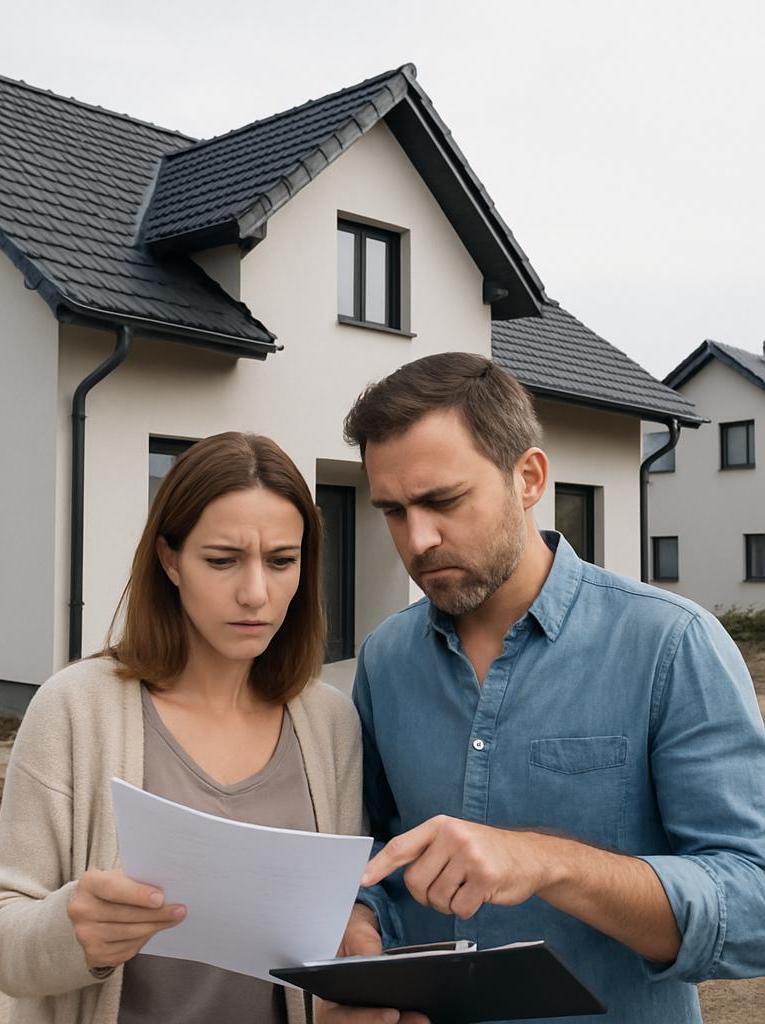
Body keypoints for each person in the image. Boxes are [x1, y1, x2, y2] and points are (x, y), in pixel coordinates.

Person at [324, 352, 765, 1024]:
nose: (418, 539)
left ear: (528, 478)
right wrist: (360, 926)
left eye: (443, 500)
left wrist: (545, 861)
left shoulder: (670, 645)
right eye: (393, 511)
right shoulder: (385, 660)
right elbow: (378, 848)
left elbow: (752, 906)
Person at [0, 431, 364, 1024]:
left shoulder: (331, 724)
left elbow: (334, 934)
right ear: (169, 559)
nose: (255, 592)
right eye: (222, 560)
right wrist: (73, 929)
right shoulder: (74, 709)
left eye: (282, 561)